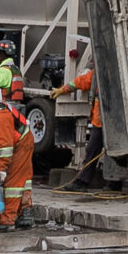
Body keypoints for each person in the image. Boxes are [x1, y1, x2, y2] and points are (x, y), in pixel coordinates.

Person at [51, 50, 102, 186]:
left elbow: (82, 82)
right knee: (96, 150)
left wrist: (62, 89)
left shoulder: (99, 74)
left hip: (103, 121)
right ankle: (113, 183)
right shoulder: (97, 75)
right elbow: (80, 82)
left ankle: (83, 182)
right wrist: (63, 89)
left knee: (93, 150)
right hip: (102, 121)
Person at [0, 89, 36, 227]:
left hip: (21, 142)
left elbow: (5, 148)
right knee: (23, 179)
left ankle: (7, 220)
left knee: (12, 183)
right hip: (23, 139)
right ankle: (25, 213)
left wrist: (2, 168)